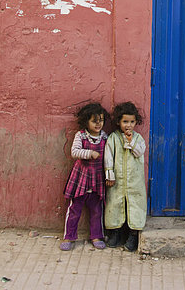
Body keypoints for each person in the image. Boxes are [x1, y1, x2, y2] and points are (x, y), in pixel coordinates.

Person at [60, 102, 109, 251]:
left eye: (101, 120)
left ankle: (96, 235)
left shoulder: (104, 137)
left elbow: (109, 157)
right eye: (94, 121)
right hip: (81, 178)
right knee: (75, 208)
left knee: (96, 209)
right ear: (86, 121)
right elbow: (74, 152)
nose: (98, 124)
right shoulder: (80, 136)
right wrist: (89, 153)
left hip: (97, 178)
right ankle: (69, 236)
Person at [104, 101, 147, 252]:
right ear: (118, 121)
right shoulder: (113, 138)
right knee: (115, 203)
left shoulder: (138, 138)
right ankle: (114, 232)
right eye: (125, 122)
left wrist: (131, 142)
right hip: (117, 180)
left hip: (134, 181)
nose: (128, 125)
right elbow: (108, 157)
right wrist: (109, 174)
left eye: (132, 122)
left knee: (135, 204)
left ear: (136, 122)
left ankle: (133, 234)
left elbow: (140, 151)